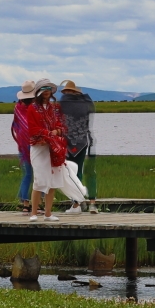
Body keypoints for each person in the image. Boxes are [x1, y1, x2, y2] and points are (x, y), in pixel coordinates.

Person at [24, 79, 69, 220]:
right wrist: (48, 133)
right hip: (39, 147)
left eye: (48, 88)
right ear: (39, 91)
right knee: (39, 179)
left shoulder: (55, 108)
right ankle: (34, 213)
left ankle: (48, 213)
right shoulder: (32, 108)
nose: (46, 91)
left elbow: (62, 125)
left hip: (53, 147)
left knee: (53, 180)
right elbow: (32, 128)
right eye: (43, 89)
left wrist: (57, 132)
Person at [58, 79, 96, 212]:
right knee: (78, 170)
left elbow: (57, 121)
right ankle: (81, 202)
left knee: (70, 173)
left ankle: (76, 203)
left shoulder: (62, 103)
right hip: (82, 141)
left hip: (67, 142)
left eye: (67, 91)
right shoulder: (85, 103)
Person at [10, 80, 36, 212]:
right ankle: (38, 204)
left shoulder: (17, 108)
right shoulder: (35, 108)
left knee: (27, 174)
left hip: (22, 145)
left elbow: (16, 126)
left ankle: (25, 204)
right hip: (35, 145)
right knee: (38, 175)